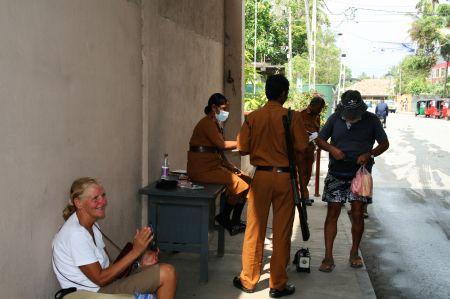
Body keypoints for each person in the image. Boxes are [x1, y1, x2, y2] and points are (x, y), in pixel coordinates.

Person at [233, 74, 309, 298]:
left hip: (262, 178)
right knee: (282, 231)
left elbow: (242, 148)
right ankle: (277, 284)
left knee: (254, 230)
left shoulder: (253, 117)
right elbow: (303, 146)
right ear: (284, 93)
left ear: (267, 92)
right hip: (285, 178)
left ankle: (248, 280)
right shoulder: (291, 117)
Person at [52, 177, 177, 298]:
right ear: (78, 203)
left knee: (162, 271)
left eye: (103, 195)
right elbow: (100, 279)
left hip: (106, 285)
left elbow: (110, 266)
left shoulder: (92, 225)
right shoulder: (75, 234)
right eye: (95, 198)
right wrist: (135, 252)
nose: (103, 201)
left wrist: (139, 264)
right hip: (94, 293)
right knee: (166, 273)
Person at [315, 90, 389, 272]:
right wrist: (332, 150)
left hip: (360, 176)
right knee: (332, 213)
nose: (352, 116)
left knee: (357, 213)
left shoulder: (372, 120)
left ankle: (354, 252)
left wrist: (369, 153)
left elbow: (384, 143)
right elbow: (320, 140)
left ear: (361, 109)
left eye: (355, 113)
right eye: (349, 113)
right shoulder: (334, 119)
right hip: (336, 174)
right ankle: (328, 256)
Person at [187, 93, 251, 236]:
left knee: (247, 180)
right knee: (240, 185)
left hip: (213, 166)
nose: (225, 112)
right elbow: (221, 145)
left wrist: (230, 166)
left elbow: (217, 151)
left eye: (227, 109)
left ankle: (235, 221)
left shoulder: (215, 124)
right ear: (213, 107)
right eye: (223, 108)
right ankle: (224, 217)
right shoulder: (207, 123)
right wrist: (243, 143)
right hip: (201, 170)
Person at [298, 96, 326, 206]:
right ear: (312, 105)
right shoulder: (301, 115)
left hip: (310, 150)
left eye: (321, 109)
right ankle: (303, 196)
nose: (320, 111)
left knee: (308, 174)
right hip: (300, 150)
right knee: (301, 174)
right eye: (319, 108)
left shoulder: (317, 117)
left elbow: (317, 131)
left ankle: (304, 196)